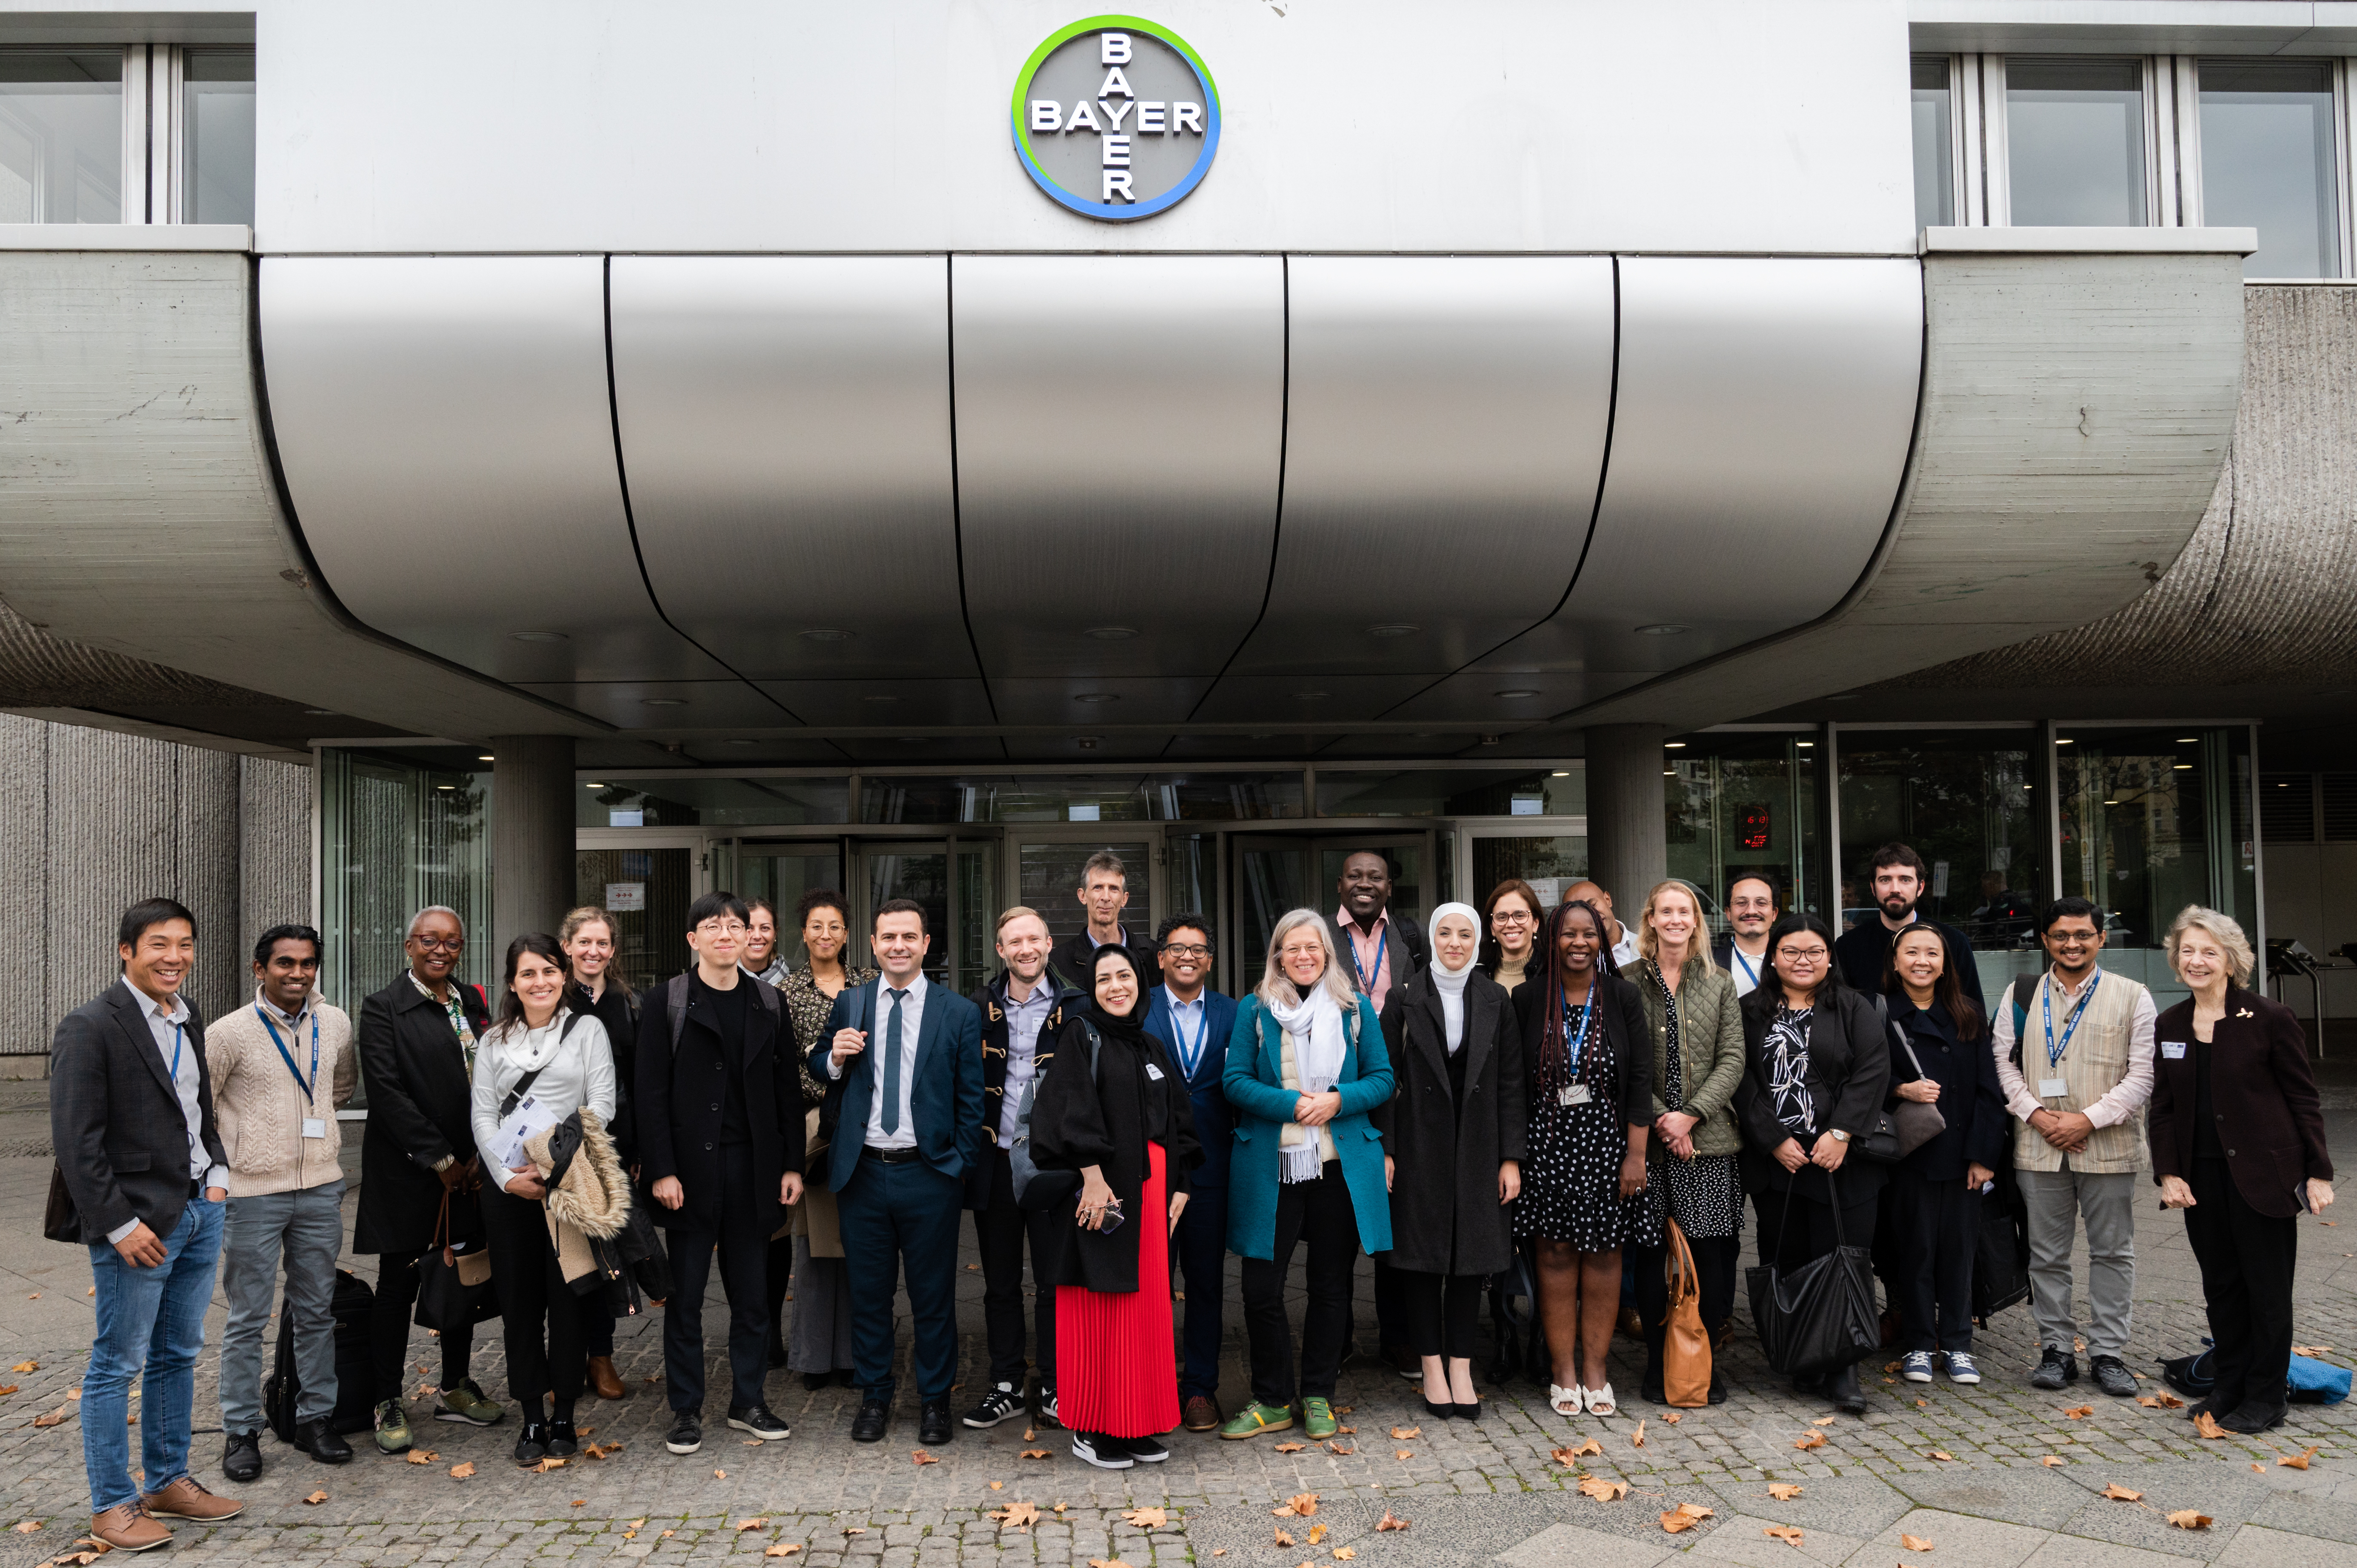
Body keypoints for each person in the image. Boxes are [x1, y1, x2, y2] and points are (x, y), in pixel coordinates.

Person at [50, 899, 239, 1551]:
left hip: (198, 1210)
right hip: (137, 1225)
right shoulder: (90, 1026)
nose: (175, 957)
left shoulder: (187, 1022)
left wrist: (217, 1177)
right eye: (160, 944)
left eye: (185, 944)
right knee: (117, 1362)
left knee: (177, 1354)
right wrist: (118, 1224)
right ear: (126, 950)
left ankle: (166, 1481)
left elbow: (197, 1113)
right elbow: (78, 1143)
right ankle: (112, 1504)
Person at [2152, 906, 2334, 1434]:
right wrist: (2168, 1172)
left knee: (2267, 1290)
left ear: (2231, 959)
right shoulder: (2170, 1023)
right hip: (2199, 1179)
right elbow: (2162, 1108)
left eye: (2209, 951)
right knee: (2222, 1288)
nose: (2196, 960)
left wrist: (2318, 1172)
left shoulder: (2270, 1019)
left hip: (2264, 1177)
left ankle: (2266, 1394)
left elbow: (2304, 1098)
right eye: (2187, 950)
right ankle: (2228, 1383)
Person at [811, 898, 985, 1447]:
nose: (898, 946)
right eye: (888, 937)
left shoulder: (955, 1011)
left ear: (926, 944)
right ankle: (875, 1395)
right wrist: (834, 1058)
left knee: (933, 1297)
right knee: (870, 1295)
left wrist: (956, 1165)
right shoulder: (851, 1001)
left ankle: (934, 1402)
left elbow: (971, 1098)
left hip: (928, 1174)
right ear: (873, 943)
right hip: (862, 1173)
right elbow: (818, 1063)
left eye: (909, 936)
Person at [638, 893, 805, 1456]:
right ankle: (685, 1409)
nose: (726, 934)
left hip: (754, 1167)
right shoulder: (668, 1001)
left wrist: (790, 1163)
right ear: (693, 938)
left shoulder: (769, 1002)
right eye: (713, 926)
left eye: (736, 925)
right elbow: (650, 1094)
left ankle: (748, 1400)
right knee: (684, 1298)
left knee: (753, 1296)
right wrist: (661, 1169)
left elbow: (787, 1092)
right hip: (688, 1172)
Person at [1219, 909, 1395, 1442]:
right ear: (1277, 955)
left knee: (1330, 1285)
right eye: (1291, 948)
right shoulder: (1255, 1009)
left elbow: (1383, 1079)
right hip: (1273, 1166)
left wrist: (1339, 1100)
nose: (1302, 957)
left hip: (1336, 1167)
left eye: (1312, 948)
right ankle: (1272, 1397)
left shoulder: (1354, 1007)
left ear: (1326, 954)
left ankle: (1318, 1393)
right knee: (1260, 1287)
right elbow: (1234, 1080)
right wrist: (1292, 1104)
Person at [1031, 944, 1203, 1468]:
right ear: (1093, 989)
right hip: (1101, 1192)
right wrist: (1091, 1177)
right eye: (1103, 978)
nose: (1115, 987)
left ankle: (1133, 1423)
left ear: (1140, 982)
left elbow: (1178, 1121)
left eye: (1123, 975)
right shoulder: (1081, 1037)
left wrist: (1181, 1184)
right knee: (1097, 1308)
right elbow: (1066, 1112)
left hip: (1152, 1196)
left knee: (1144, 1312)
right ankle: (1091, 1426)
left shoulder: (1150, 1045)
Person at [206, 923, 359, 1479]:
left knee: (316, 1310)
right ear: (259, 968)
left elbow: (340, 1087)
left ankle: (316, 1418)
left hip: (319, 1188)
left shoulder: (336, 1023)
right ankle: (241, 1430)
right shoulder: (228, 1034)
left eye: (308, 963)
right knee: (247, 1317)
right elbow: (203, 1101)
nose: (298, 973)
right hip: (251, 1193)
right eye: (285, 963)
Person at [1991, 896, 2155, 1397]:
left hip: (2108, 1146)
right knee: (2045, 1254)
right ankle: (2056, 1349)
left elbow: (2143, 1072)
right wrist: (2038, 1115)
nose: (2072, 943)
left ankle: (2108, 1353)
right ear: (2045, 940)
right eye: (2061, 935)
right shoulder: (2020, 995)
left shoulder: (2133, 996)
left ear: (2101, 939)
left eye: (2083, 934)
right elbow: (2002, 1063)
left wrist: (2086, 1119)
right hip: (2039, 1147)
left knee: (2113, 1251)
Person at [354, 905, 501, 1453]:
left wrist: (481, 1158)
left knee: (462, 1276)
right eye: (430, 940)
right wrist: (441, 1160)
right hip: (411, 1172)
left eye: (453, 943)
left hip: (471, 1173)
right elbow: (388, 1094)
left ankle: (455, 1386)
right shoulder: (384, 1007)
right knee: (398, 1284)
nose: (441, 950)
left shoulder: (474, 1003)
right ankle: (388, 1398)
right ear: (409, 945)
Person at [1734, 911, 1890, 1416]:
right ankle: (1803, 1355)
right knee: (1792, 1257)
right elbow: (1741, 1080)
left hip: (1841, 1159)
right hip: (1780, 1160)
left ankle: (1843, 1367)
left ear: (1829, 958)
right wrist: (1773, 1138)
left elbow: (1872, 1069)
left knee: (1843, 1259)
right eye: (1791, 952)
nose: (1803, 961)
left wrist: (1841, 1132)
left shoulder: (1853, 1006)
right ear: (1773, 957)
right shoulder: (1749, 1011)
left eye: (1814, 952)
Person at [470, 932, 617, 1466]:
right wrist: (507, 1177)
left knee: (569, 1300)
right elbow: (482, 1115)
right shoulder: (493, 1041)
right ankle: (532, 1414)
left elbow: (601, 1105)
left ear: (564, 975)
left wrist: (553, 1163)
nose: (541, 982)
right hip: (509, 1188)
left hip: (568, 1185)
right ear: (513, 982)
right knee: (520, 1304)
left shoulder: (588, 1030)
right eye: (529, 973)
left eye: (550, 971)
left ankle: (564, 1417)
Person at [1374, 903, 1522, 1419]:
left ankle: (1461, 1367)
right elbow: (1383, 1079)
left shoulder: (1496, 999)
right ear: (1431, 938)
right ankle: (1432, 1368)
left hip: (1480, 1148)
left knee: (1470, 1262)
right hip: (1419, 1146)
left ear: (1478, 940)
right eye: (1444, 932)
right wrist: (1387, 1149)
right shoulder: (1403, 997)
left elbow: (1509, 1083)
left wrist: (1511, 1157)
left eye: (1464, 933)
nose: (1454, 942)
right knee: (1420, 1261)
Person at [1515, 899, 1650, 1418]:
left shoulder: (1621, 996)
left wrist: (1635, 1154)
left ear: (1603, 940)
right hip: (1547, 1146)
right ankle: (1563, 1371)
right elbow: (1514, 1084)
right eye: (1567, 933)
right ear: (1551, 941)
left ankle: (1596, 1370)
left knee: (1604, 1255)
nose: (1578, 942)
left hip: (1607, 1146)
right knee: (1552, 1256)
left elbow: (1639, 1079)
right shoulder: (1528, 998)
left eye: (1588, 934)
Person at [1624, 881, 1744, 1406]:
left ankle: (1704, 1363)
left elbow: (1733, 1058)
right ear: (1650, 919)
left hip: (1709, 1142)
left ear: (1695, 921)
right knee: (1651, 1257)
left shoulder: (1719, 983)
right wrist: (1661, 1120)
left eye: (1685, 911)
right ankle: (1658, 1364)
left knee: (1711, 1258)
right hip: (1648, 1145)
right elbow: (1625, 1064)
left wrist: (1691, 1116)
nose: (1675, 919)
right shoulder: (1626, 983)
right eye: (1665, 911)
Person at [963, 906, 1083, 1430]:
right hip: (995, 1163)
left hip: (1054, 1166)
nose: (1025, 948)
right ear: (1001, 950)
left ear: (1049, 944)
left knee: (1056, 1280)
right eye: (1015, 941)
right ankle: (1007, 1383)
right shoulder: (976, 1008)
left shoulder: (1077, 1005)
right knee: (1001, 1281)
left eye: (1034, 938)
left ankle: (1057, 1384)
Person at [1882, 924, 2006, 1386]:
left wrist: (1983, 1155)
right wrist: (1901, 1088)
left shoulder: (1968, 1013)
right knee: (1913, 1252)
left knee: (1959, 1251)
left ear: (1944, 961)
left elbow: (1988, 1092)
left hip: (1960, 1156)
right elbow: (1862, 1083)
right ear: (1895, 962)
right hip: (1908, 1153)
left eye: (1931, 953)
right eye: (1911, 952)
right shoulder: (1878, 1013)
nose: (1921, 960)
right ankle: (1917, 1341)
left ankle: (1956, 1344)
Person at [1325, 848, 1426, 1377]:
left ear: (1390, 886)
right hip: (1337, 1090)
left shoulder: (1410, 935)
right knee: (1337, 1226)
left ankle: (1398, 1338)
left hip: (1399, 1091)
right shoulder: (1319, 934)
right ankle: (1334, 1337)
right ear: (1339, 883)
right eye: (1355, 875)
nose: (1365, 883)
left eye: (1376, 876)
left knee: (1393, 1222)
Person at [777, 890, 874, 1389]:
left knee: (861, 1241)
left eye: (835, 926)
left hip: (863, 1127)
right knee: (815, 1247)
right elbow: (785, 1063)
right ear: (804, 933)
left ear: (847, 934)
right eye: (817, 926)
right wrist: (830, 1080)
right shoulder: (787, 992)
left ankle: (860, 1355)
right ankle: (815, 1358)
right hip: (815, 1128)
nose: (825, 935)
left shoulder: (869, 985)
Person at [1146, 913, 1238, 1432]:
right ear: (1160, 958)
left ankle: (1200, 1388)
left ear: (1209, 959)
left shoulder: (1234, 1013)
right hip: (1152, 1172)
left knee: (1205, 1284)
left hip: (1210, 1171)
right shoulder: (1137, 1010)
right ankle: (1155, 1384)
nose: (1187, 956)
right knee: (1151, 1285)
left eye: (1198, 949)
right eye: (1177, 948)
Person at [561, 905, 638, 1403]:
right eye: (583, 942)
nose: (593, 951)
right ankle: (564, 1357)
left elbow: (640, 1078)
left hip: (614, 1146)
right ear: (566, 946)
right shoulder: (550, 994)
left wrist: (638, 1150)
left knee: (607, 1256)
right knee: (565, 1256)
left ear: (613, 950)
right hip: (560, 1146)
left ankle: (602, 1355)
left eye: (602, 943)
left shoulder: (630, 1003)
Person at [1831, 844, 1987, 1012]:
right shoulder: (1848, 947)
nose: (1895, 889)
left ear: (1920, 888)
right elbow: (1841, 1016)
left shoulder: (1953, 941)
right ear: (1873, 888)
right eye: (1885, 880)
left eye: (1905, 880)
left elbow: (1974, 1014)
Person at [1050, 850, 1134, 990]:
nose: (1106, 897)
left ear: (1124, 899)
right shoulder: (1058, 963)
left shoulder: (1149, 955)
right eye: (1098, 888)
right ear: (1082, 896)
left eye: (1114, 889)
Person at [1711, 874, 1778, 998]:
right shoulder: (1709, 963)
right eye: (1742, 903)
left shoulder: (1792, 959)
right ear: (1728, 913)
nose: (1751, 911)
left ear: (1774, 913)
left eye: (1761, 903)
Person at [1480, 878, 1542, 995]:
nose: (1511, 924)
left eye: (1520, 915)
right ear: (1492, 928)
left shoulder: (1552, 972)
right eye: (1502, 917)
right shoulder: (1477, 972)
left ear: (1535, 923)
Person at [1562, 880, 1641, 971]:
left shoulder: (1649, 948)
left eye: (1593, 905)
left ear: (1608, 900)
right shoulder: (1571, 959)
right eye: (1578, 912)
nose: (1591, 915)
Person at [746, 897, 791, 987]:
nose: (757, 936)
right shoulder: (723, 979)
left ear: (775, 933)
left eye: (765, 928)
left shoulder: (791, 983)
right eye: (749, 928)